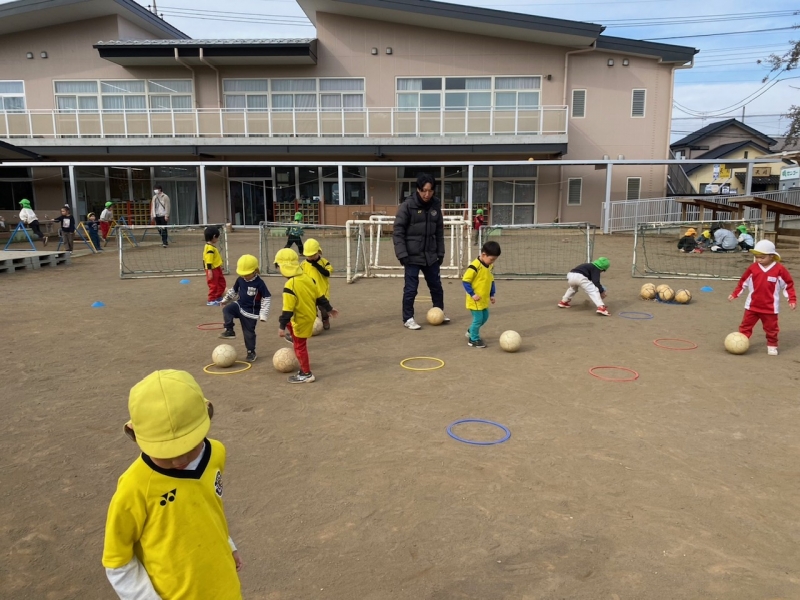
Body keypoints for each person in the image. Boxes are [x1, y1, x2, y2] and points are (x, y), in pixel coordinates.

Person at [102, 369, 243, 600]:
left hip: (225, 587)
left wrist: (228, 544)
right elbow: (118, 561)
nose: (179, 460)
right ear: (134, 433)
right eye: (165, 452)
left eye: (190, 446)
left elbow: (208, 507)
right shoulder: (134, 487)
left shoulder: (216, 452)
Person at [393, 172, 448, 330]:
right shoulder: (407, 206)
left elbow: (439, 232)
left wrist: (440, 253)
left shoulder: (435, 205)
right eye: (424, 190)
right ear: (418, 189)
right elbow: (398, 232)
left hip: (431, 255)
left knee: (436, 286)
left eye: (430, 191)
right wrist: (402, 254)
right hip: (411, 256)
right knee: (411, 289)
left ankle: (439, 312)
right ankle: (408, 318)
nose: (427, 194)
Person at [274, 248, 338, 384]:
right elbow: (319, 296)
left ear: (283, 267)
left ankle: (306, 374)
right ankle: (293, 337)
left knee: (300, 347)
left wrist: (281, 327)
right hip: (309, 317)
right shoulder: (307, 278)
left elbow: (287, 310)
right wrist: (329, 309)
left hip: (300, 320)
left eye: (278, 266)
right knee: (291, 328)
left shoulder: (289, 286)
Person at [728, 239, 796, 356]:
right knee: (745, 326)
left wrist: (792, 299)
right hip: (752, 305)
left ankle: (772, 345)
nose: (758, 260)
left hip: (770, 308)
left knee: (772, 329)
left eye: (762, 257)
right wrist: (735, 294)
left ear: (771, 256)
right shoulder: (753, 268)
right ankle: (741, 342)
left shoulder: (780, 270)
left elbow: (788, 285)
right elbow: (743, 282)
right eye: (756, 257)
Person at [218, 254, 271, 363]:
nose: (245, 276)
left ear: (255, 271)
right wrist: (225, 300)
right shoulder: (240, 279)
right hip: (239, 305)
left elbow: (266, 298)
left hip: (251, 312)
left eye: (247, 274)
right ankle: (229, 330)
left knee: (248, 333)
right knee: (227, 309)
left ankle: (251, 352)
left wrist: (263, 314)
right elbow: (233, 290)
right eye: (243, 274)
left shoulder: (259, 283)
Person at [462, 240, 501, 348]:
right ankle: (473, 339)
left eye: (494, 260)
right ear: (484, 255)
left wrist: (492, 294)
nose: (492, 262)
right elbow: (465, 281)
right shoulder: (474, 266)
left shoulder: (489, 266)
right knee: (478, 319)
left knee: (485, 317)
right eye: (491, 259)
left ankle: (471, 331)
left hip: (483, 299)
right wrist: (472, 294)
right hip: (475, 299)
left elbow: (490, 280)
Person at [301, 238, 334, 330]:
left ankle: (325, 319)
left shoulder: (324, 262)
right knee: (311, 310)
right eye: (309, 256)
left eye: (313, 255)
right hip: (309, 292)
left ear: (319, 252)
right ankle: (315, 323)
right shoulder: (303, 265)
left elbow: (327, 273)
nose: (311, 257)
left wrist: (317, 266)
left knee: (324, 309)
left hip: (322, 291)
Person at [204, 226, 226, 306]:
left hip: (216, 268)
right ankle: (211, 300)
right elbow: (208, 260)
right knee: (213, 284)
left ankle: (218, 296)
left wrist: (219, 266)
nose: (217, 239)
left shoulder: (211, 247)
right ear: (214, 236)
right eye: (217, 237)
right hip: (212, 269)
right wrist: (209, 270)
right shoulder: (209, 248)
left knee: (221, 282)